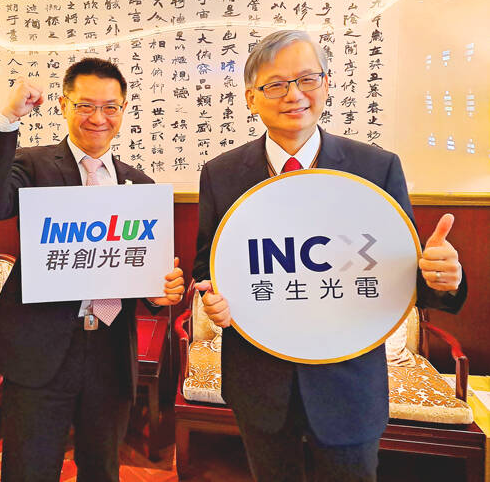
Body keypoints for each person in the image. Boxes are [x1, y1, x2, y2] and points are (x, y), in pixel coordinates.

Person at [193, 30, 467, 482]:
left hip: (348, 387)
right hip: (260, 383)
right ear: (250, 98)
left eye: (307, 79)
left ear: (327, 84)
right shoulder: (221, 174)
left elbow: (405, 276)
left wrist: (442, 277)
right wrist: (212, 297)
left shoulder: (376, 167)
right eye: (276, 84)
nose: (294, 95)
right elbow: (209, 265)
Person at [0, 57, 185, 482]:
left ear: (123, 109)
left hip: (109, 351)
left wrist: (158, 293)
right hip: (38, 349)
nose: (98, 118)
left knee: (102, 469)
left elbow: (143, 275)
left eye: (110, 107)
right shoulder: (32, 165)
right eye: (85, 106)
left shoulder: (139, 186)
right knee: (28, 470)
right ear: (64, 105)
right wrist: (8, 119)